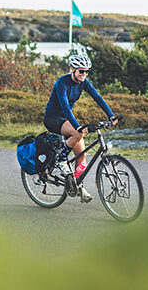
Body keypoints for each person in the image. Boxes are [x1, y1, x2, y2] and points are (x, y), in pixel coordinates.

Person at [44, 53, 118, 202]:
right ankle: (61, 158)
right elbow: (65, 107)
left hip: (66, 119)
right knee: (78, 135)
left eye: (87, 71)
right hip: (53, 118)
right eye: (81, 71)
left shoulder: (84, 82)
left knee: (81, 155)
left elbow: (97, 97)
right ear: (73, 69)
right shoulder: (62, 83)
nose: (84, 74)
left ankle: (79, 186)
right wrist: (78, 127)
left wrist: (111, 115)